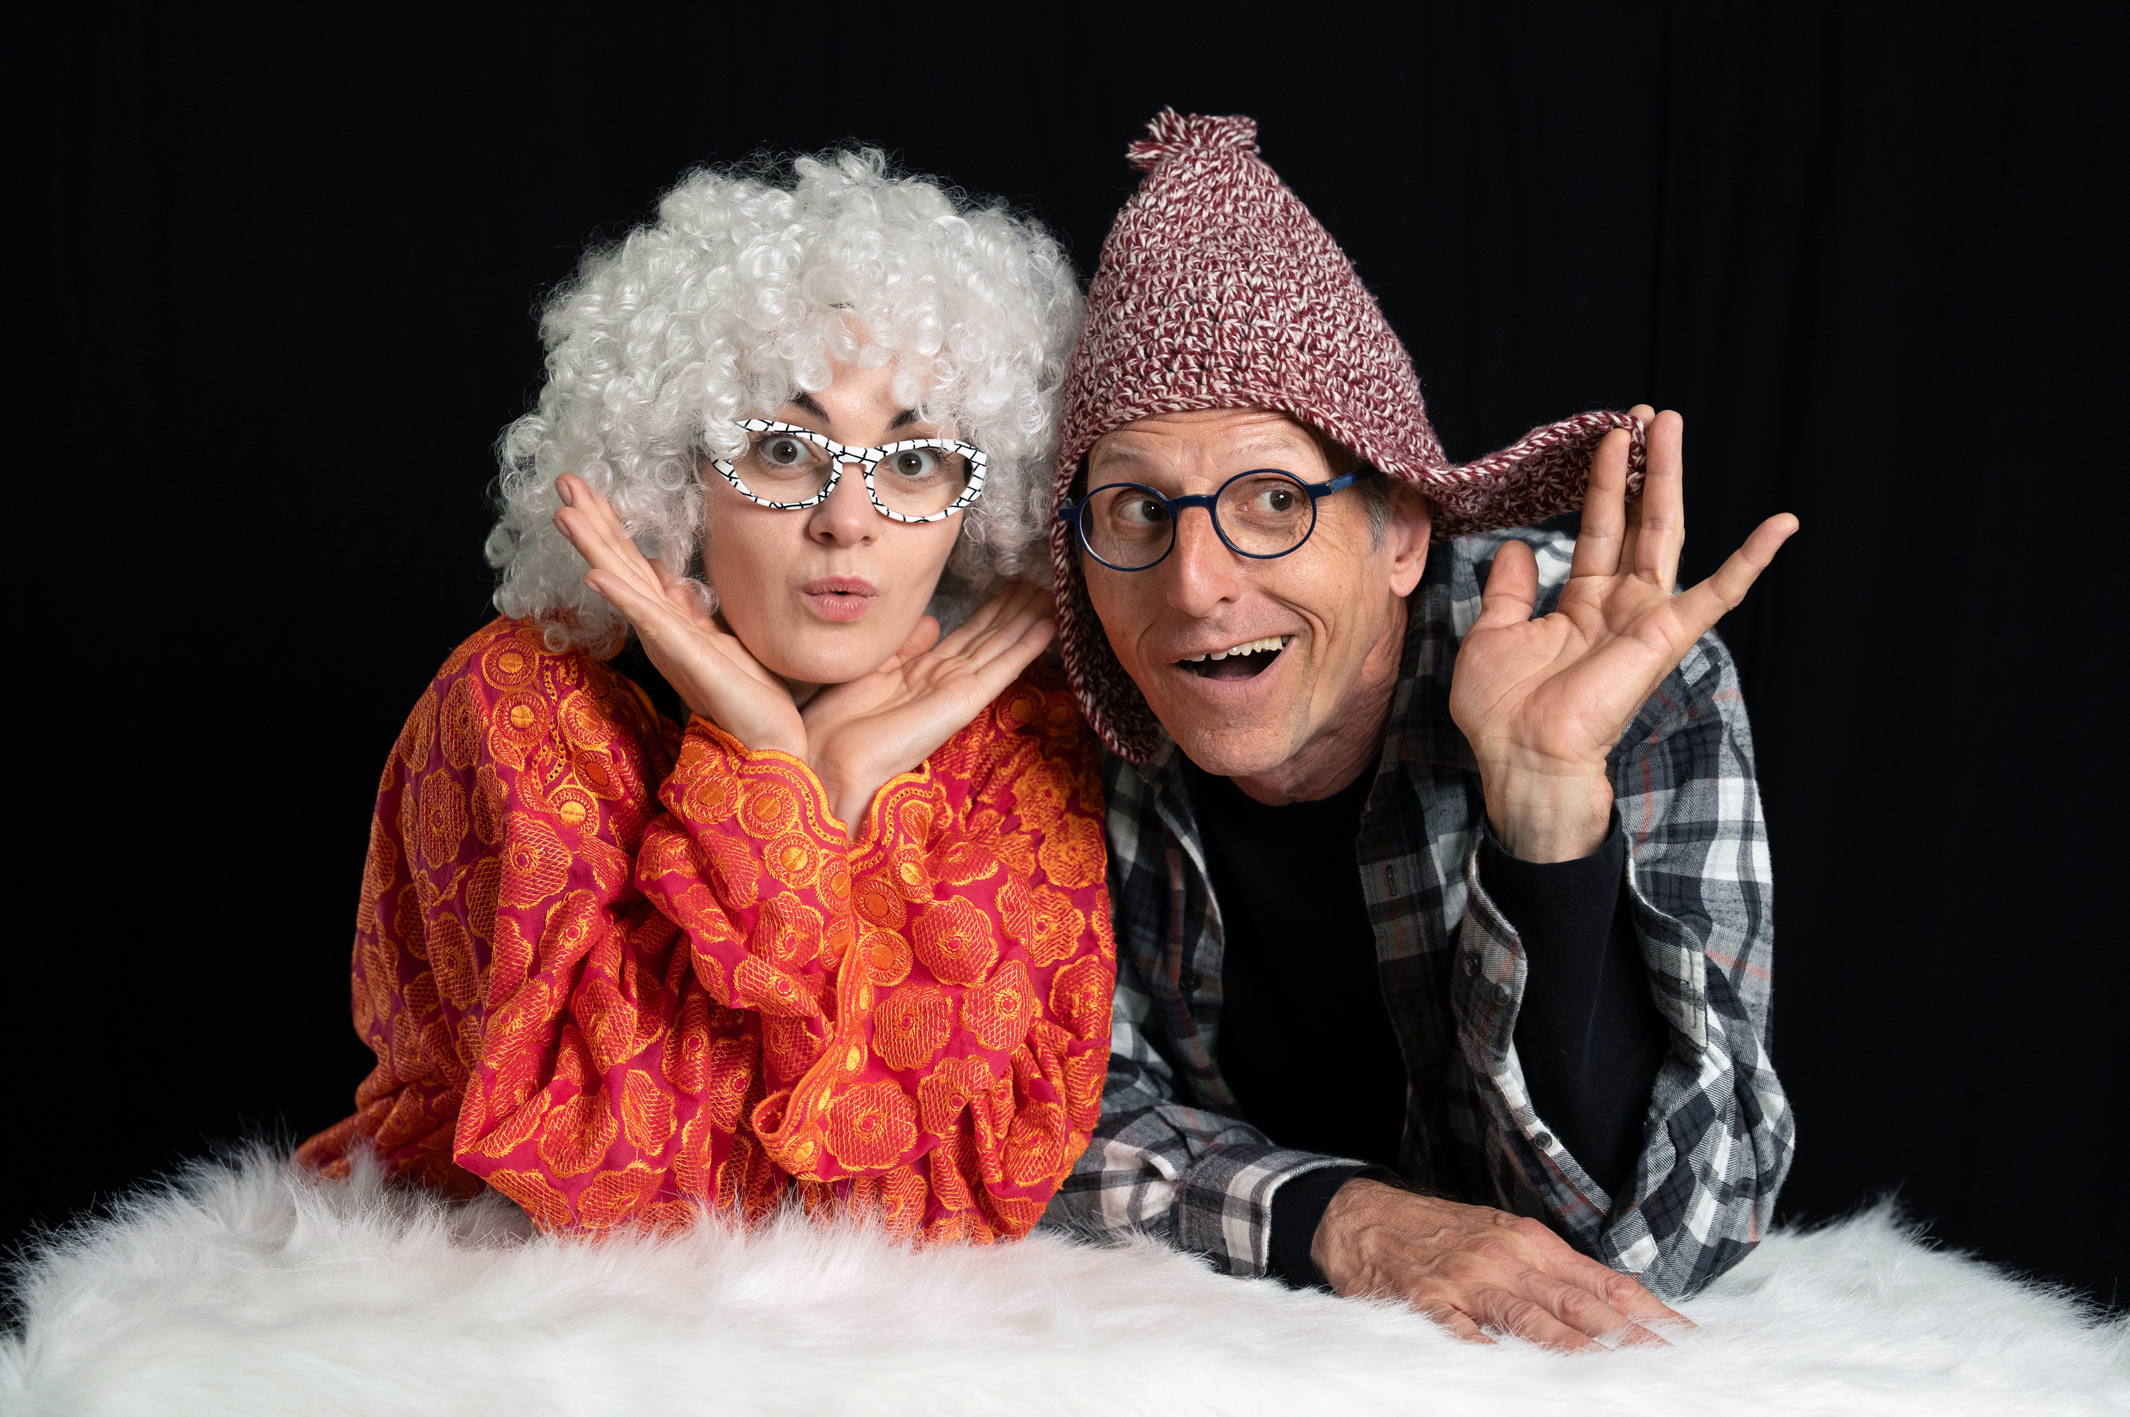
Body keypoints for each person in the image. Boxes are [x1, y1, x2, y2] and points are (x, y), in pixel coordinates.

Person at [1041, 111, 1798, 1344]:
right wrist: (1343, 1219)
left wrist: (1550, 819)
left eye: (1272, 499)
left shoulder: (1614, 664)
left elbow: (1675, 1230)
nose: (1194, 584)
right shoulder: (1054, 720)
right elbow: (1025, 1123)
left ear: (1400, 531)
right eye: (1135, 509)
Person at [298, 150, 1115, 1244]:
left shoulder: (1012, 739)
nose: (848, 520)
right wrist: (776, 771)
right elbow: (610, 1181)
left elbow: (962, 1190)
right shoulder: (518, 710)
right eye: (783, 450)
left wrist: (839, 773)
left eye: (915, 462)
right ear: (675, 471)